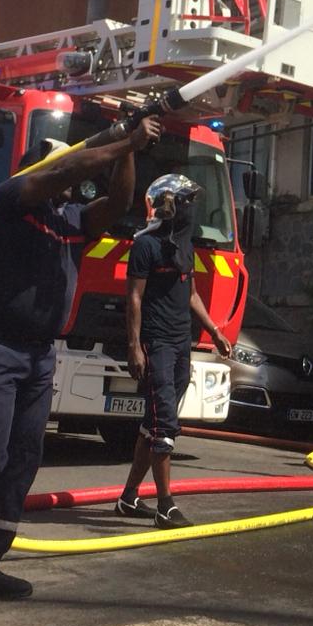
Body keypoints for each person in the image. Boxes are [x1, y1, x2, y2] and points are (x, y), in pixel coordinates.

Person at [0, 117, 162, 598]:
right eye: (60, 166)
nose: (69, 179)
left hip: (38, 354)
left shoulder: (70, 221)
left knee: (22, 461)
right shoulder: (9, 202)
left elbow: (119, 203)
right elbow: (56, 176)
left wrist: (128, 145)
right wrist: (118, 142)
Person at [116, 173, 233, 529]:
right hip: (157, 344)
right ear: (169, 205)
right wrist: (134, 346)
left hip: (182, 342)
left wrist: (214, 331)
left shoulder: (184, 245)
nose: (191, 210)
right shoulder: (146, 246)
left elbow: (192, 293)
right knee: (165, 422)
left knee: (152, 424)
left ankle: (128, 497)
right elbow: (134, 297)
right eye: (186, 202)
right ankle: (165, 505)